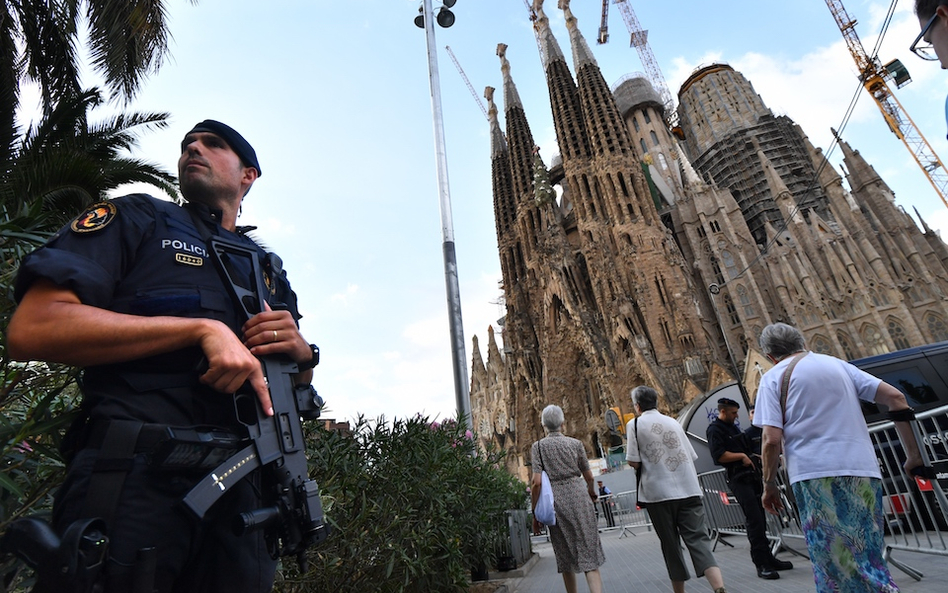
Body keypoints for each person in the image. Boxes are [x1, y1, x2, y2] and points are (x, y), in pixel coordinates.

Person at [7, 120, 322, 593]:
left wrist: (304, 358)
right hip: (136, 478)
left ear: (247, 176)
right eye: (187, 144)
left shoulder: (269, 273)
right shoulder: (138, 219)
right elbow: (34, 328)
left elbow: (294, 393)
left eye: (213, 144)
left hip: (250, 498)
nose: (193, 148)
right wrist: (198, 330)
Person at [754, 323, 924, 593]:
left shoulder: (773, 377)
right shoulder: (836, 364)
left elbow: (771, 439)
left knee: (833, 565)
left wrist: (769, 484)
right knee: (867, 557)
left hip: (816, 477)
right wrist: (912, 456)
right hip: (864, 472)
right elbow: (896, 397)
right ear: (802, 342)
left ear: (770, 355)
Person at [626, 386, 727, 593]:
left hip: (658, 494)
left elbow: (634, 462)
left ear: (637, 406)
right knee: (699, 540)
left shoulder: (635, 424)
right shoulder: (673, 422)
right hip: (689, 489)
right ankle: (719, 588)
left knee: (671, 545)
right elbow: (691, 455)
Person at [706, 397, 792, 580]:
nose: (736, 416)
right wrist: (741, 457)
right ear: (723, 411)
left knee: (761, 518)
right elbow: (719, 455)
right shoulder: (715, 430)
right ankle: (761, 564)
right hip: (738, 478)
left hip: (751, 476)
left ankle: (769, 558)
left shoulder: (733, 428)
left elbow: (742, 447)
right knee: (754, 520)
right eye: (733, 413)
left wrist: (754, 457)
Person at [531, 404, 606, 593]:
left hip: (556, 503)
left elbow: (537, 482)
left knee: (565, 556)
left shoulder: (538, 447)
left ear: (544, 425)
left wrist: (535, 513)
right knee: (589, 553)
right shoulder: (575, 444)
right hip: (579, 496)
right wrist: (590, 492)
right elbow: (589, 477)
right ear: (563, 424)